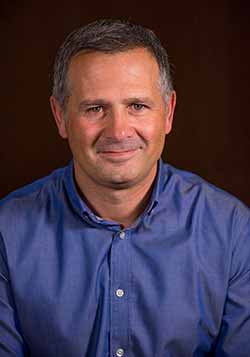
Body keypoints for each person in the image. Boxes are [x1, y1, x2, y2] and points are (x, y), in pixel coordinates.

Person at [0, 18, 250, 357]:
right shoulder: (7, 232)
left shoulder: (233, 231)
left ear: (169, 112)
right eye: (95, 108)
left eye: (137, 106)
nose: (118, 131)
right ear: (60, 117)